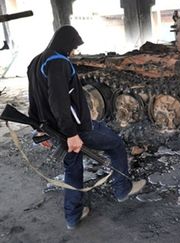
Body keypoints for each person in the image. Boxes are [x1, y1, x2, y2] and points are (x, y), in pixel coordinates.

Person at [27, 26, 146, 230]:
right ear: (66, 44)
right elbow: (60, 103)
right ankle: (122, 189)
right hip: (75, 128)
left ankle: (73, 216)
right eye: (73, 47)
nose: (73, 52)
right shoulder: (58, 62)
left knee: (72, 168)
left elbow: (34, 98)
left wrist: (38, 127)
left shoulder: (36, 61)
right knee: (115, 144)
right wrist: (73, 134)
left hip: (54, 128)